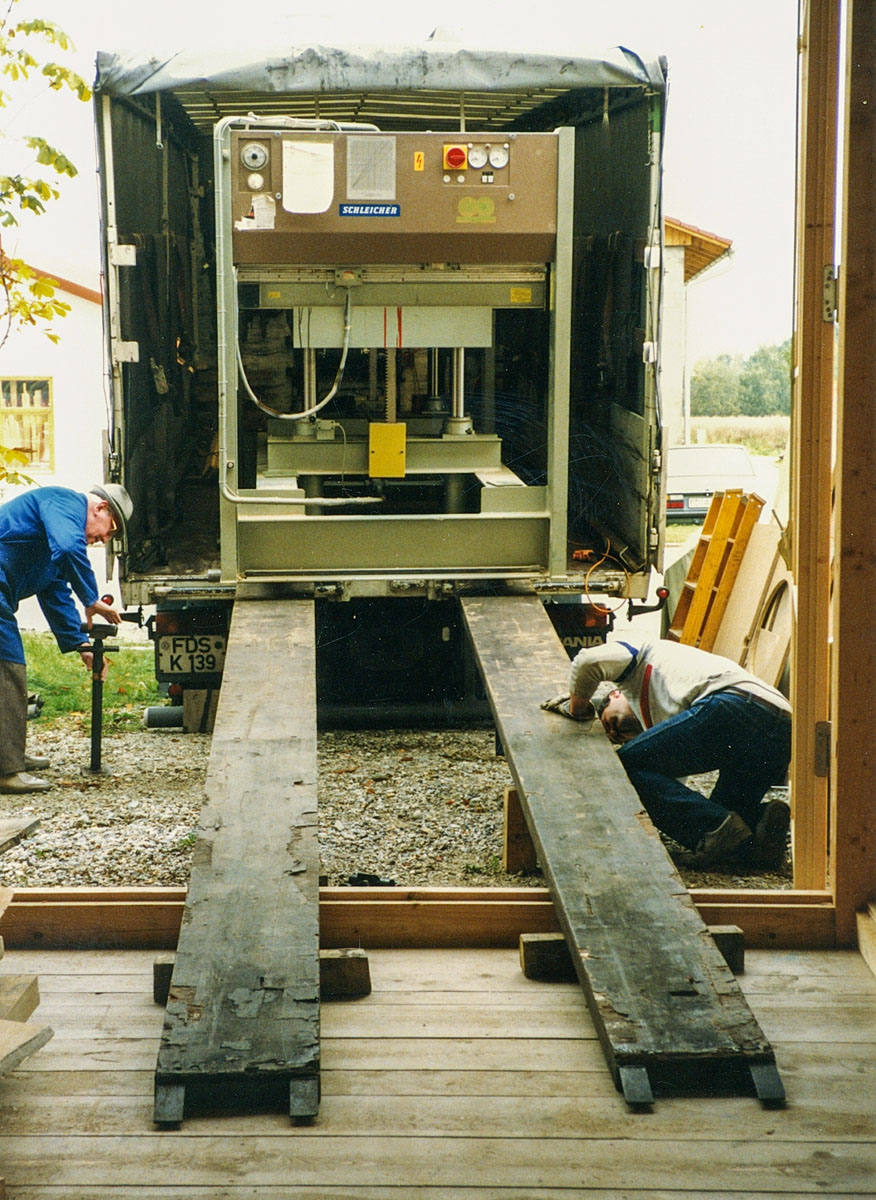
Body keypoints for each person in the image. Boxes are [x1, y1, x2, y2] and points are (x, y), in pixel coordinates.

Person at [542, 636, 792, 870]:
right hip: (780, 724)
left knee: (621, 769)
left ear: (615, 694)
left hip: (735, 703)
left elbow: (587, 661)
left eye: (606, 720)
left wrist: (577, 709)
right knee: (728, 826)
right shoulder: (667, 715)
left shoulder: (637, 663)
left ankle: (724, 829)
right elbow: (665, 795)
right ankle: (760, 828)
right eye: (615, 737)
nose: (613, 731)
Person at [0, 483, 133, 794]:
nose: (103, 539)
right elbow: (69, 548)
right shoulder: (62, 501)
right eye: (108, 531)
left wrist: (82, 646)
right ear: (100, 508)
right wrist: (90, 597)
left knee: (7, 668)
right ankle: (6, 770)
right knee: (7, 668)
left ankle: (7, 754)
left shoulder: (53, 535)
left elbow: (56, 591)